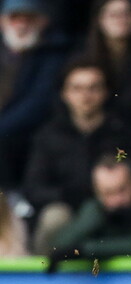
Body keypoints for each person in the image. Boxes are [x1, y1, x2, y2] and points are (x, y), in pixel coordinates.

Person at [22, 58, 131, 254]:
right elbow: (33, 188)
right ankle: (46, 279)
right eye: (77, 88)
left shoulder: (123, 133)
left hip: (114, 211)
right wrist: (69, 196)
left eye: (93, 88)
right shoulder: (49, 136)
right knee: (54, 217)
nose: (86, 96)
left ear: (105, 92)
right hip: (68, 214)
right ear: (64, 94)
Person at [0, 0, 69, 191]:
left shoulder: (53, 53)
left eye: (28, 18)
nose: (21, 24)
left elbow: (38, 104)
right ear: (2, 22)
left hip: (26, 135)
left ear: (42, 22)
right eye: (15, 18)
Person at [49, 155, 131, 261]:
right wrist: (93, 222)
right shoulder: (94, 210)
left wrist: (87, 250)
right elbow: (60, 247)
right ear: (97, 192)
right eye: (108, 193)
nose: (117, 200)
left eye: (122, 190)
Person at [82, 0, 131, 125]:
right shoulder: (84, 57)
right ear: (99, 20)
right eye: (114, 15)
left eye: (126, 14)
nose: (121, 19)